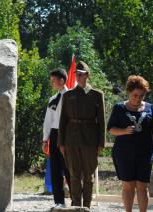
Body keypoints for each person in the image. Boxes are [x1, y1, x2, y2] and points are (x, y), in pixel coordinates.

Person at [107, 75, 153, 212]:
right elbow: (111, 129)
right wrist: (124, 130)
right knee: (128, 185)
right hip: (123, 153)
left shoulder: (150, 108)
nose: (138, 99)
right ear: (129, 92)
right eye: (135, 95)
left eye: (141, 96)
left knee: (142, 186)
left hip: (145, 153)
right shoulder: (119, 108)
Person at [58, 61, 105, 208]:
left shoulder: (97, 95)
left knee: (89, 176)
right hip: (71, 139)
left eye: (81, 73)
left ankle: (87, 207)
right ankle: (76, 206)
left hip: (90, 139)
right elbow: (63, 120)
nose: (78, 76)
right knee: (74, 175)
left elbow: (101, 121)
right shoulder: (69, 95)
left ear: (87, 75)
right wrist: (61, 142)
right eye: (76, 74)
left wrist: (101, 142)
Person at [42, 68, 71, 208]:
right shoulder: (53, 99)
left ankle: (76, 200)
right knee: (55, 169)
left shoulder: (71, 96)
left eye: (54, 81)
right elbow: (48, 120)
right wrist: (45, 139)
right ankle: (59, 202)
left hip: (68, 135)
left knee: (69, 168)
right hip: (54, 135)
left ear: (62, 80)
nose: (52, 83)